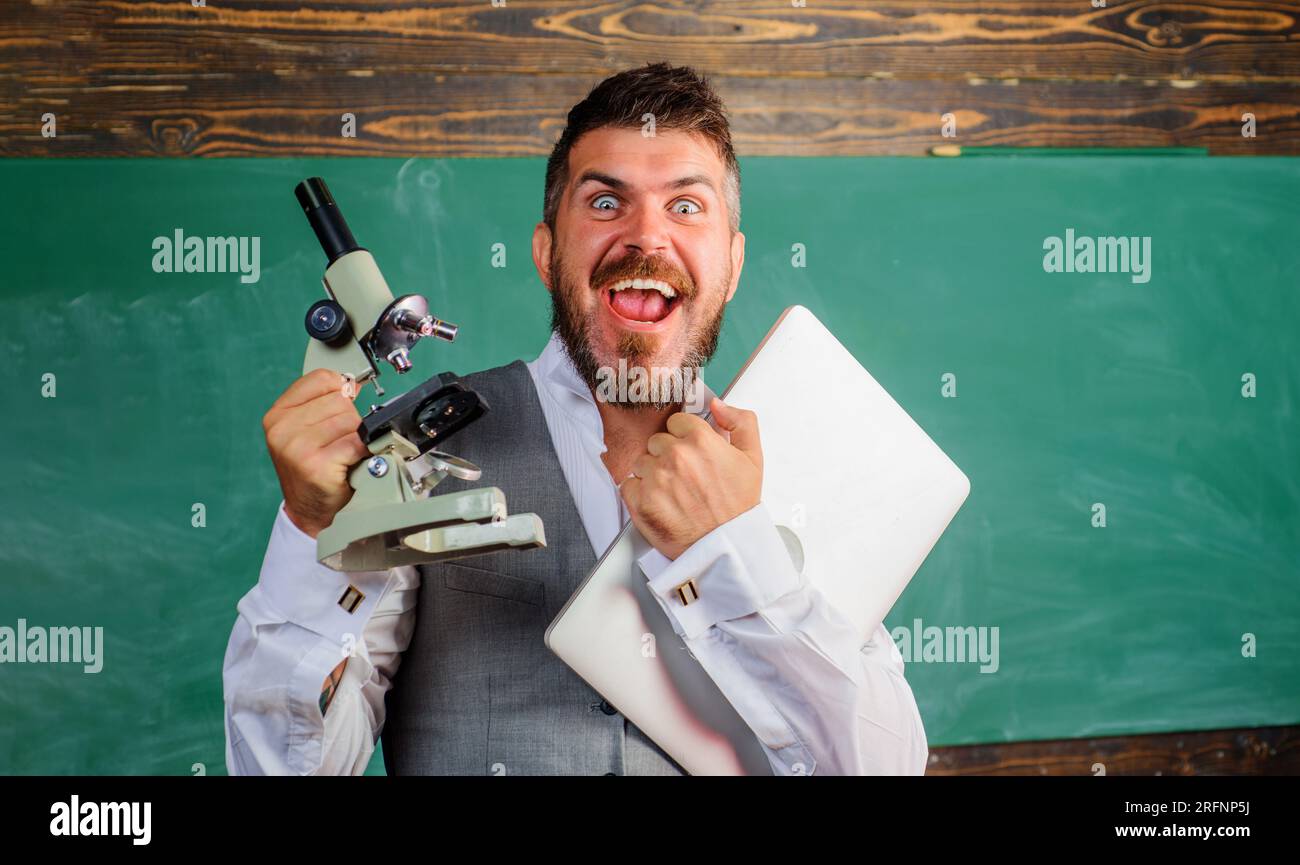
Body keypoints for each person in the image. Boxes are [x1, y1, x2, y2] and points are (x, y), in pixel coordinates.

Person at [222, 62, 928, 776]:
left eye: (686, 206)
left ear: (733, 262)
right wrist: (314, 532)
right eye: (604, 202)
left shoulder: (801, 466)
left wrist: (735, 549)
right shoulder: (416, 451)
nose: (646, 238)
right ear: (546, 252)